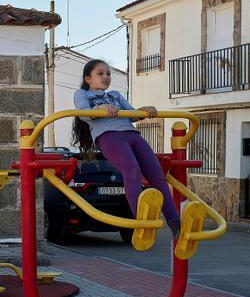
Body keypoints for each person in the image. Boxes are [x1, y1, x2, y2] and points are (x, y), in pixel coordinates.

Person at [71, 59, 181, 239]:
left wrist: (144, 110)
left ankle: (174, 221)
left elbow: (132, 114)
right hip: (109, 135)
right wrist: (99, 107)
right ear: (88, 78)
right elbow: (84, 113)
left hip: (131, 134)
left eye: (108, 73)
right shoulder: (82, 94)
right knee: (131, 170)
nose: (105, 77)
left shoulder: (116, 94)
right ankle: (140, 219)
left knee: (156, 175)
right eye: (100, 73)